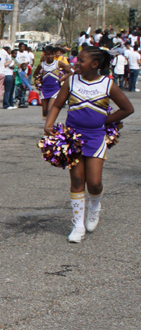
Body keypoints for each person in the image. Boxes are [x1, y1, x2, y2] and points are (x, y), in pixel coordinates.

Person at [44, 46, 133, 243]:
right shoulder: (71, 80)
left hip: (95, 137)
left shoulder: (107, 84)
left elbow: (127, 108)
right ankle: (78, 225)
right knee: (76, 180)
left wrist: (106, 121)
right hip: (72, 137)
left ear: (94, 64)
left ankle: (95, 205)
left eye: (81, 61)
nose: (76, 64)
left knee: (94, 182)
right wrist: (48, 123)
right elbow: (58, 104)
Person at [34, 45, 72, 119]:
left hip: (55, 89)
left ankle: (50, 126)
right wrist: (39, 79)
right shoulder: (42, 65)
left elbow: (70, 72)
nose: (50, 56)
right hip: (44, 89)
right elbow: (35, 74)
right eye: (48, 54)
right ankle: (45, 124)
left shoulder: (58, 63)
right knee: (44, 111)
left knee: (50, 109)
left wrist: (61, 79)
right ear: (45, 54)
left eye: (52, 54)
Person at [0, 44, 13, 111]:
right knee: (0, 91)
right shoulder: (4, 52)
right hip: (3, 73)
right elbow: (11, 63)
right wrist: (5, 64)